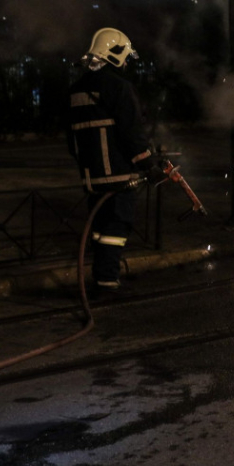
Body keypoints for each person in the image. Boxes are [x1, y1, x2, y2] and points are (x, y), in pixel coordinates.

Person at [67, 28, 158, 292]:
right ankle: (107, 280)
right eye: (126, 56)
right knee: (116, 229)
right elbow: (132, 133)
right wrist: (148, 165)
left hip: (91, 175)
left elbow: (70, 138)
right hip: (119, 176)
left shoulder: (76, 89)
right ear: (114, 54)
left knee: (99, 228)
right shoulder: (120, 87)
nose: (127, 63)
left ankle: (101, 275)